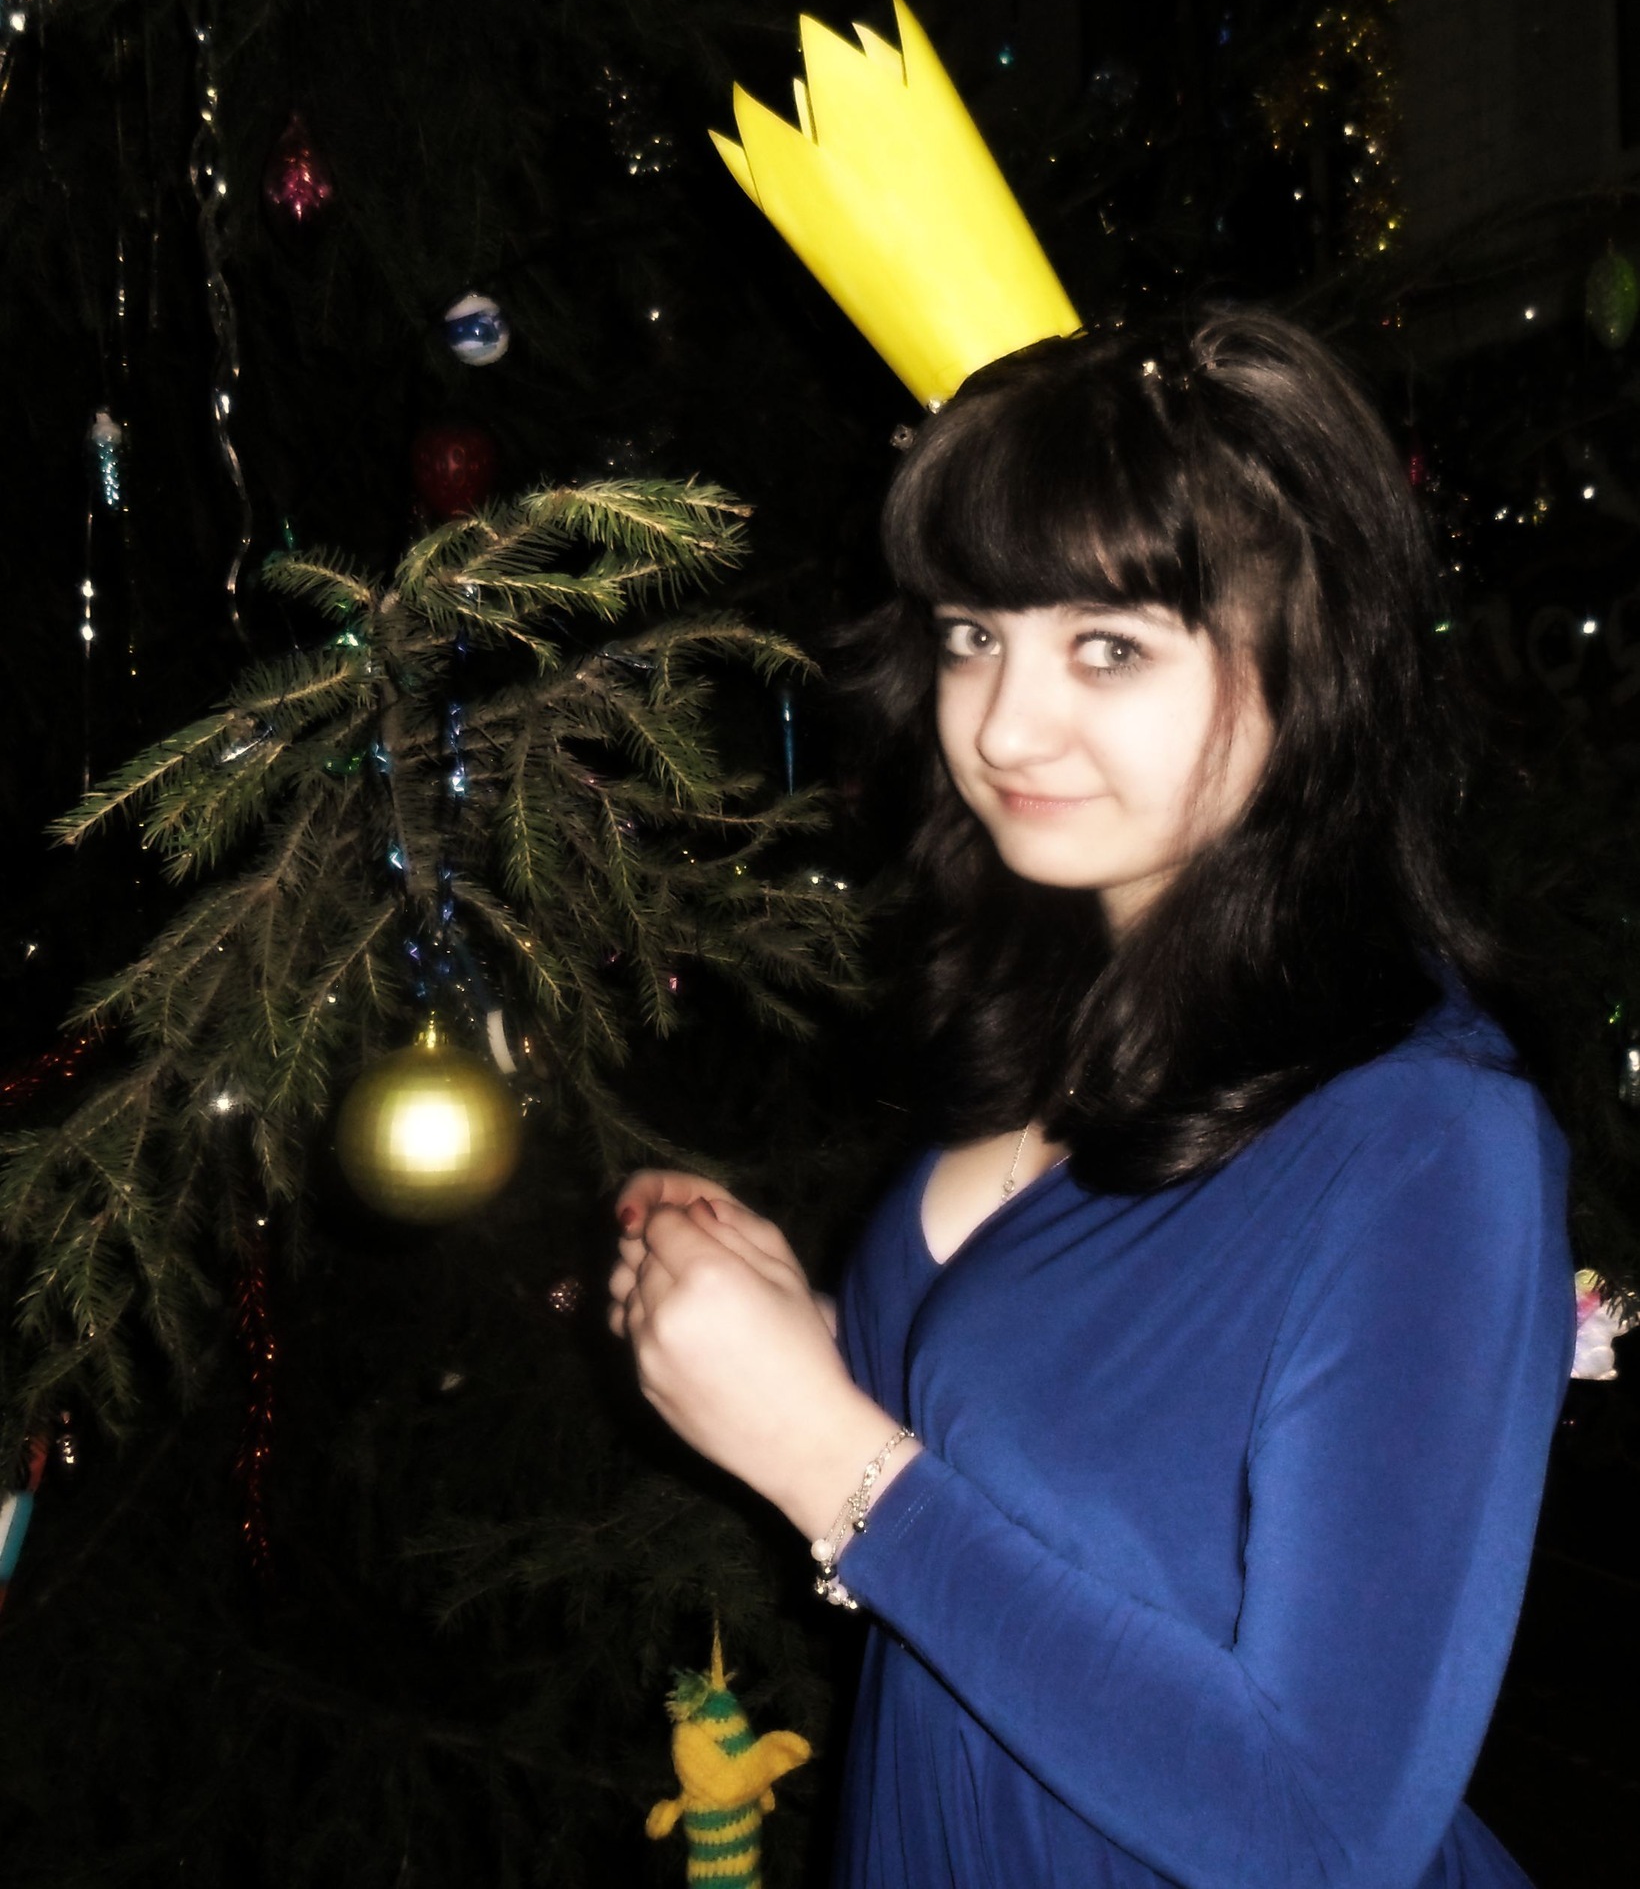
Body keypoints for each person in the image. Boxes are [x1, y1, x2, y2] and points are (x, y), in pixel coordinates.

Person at [607, 310, 1574, 1889]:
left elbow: (1321, 1828)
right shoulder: (1070, 1006)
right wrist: (790, 1332)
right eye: (972, 633)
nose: (1000, 724)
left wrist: (824, 1457)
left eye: (1108, 647)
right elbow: (1069, 1478)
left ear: (1314, 660)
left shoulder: (1425, 1143)